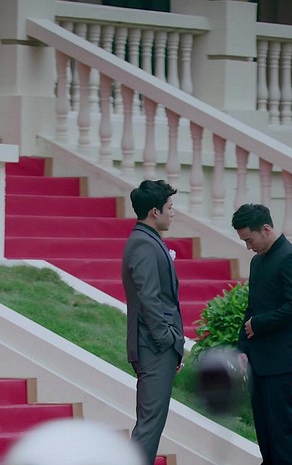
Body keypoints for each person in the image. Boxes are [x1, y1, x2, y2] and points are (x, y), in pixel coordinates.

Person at [232, 203, 292, 465]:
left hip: (281, 362)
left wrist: (259, 324)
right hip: (258, 361)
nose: (248, 247)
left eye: (249, 240)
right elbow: (252, 308)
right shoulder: (257, 262)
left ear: (266, 229)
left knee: (281, 432)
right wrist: (242, 348)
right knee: (265, 433)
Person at [121, 179, 184, 465]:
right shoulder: (143, 244)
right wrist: (167, 340)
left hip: (157, 345)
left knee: (151, 425)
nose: (173, 212)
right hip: (154, 345)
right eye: (170, 207)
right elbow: (149, 297)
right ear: (154, 212)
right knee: (149, 426)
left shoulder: (148, 240)